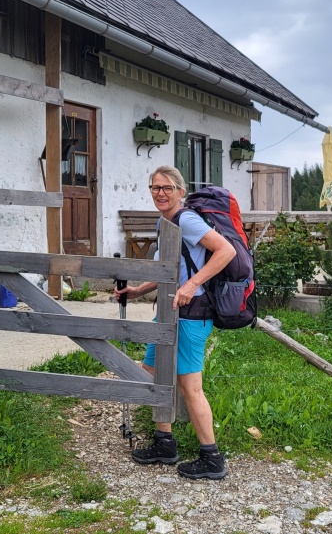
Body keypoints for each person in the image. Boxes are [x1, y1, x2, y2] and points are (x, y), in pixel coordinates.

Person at [114, 165, 235, 480]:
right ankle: (164, 442)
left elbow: (226, 251)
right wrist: (138, 290)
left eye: (167, 188)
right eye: (155, 187)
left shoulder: (187, 220)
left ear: (181, 192)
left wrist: (192, 285)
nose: (160, 193)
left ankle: (212, 458)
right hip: (168, 312)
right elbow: (167, 269)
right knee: (153, 370)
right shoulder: (163, 222)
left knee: (190, 387)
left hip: (192, 314)